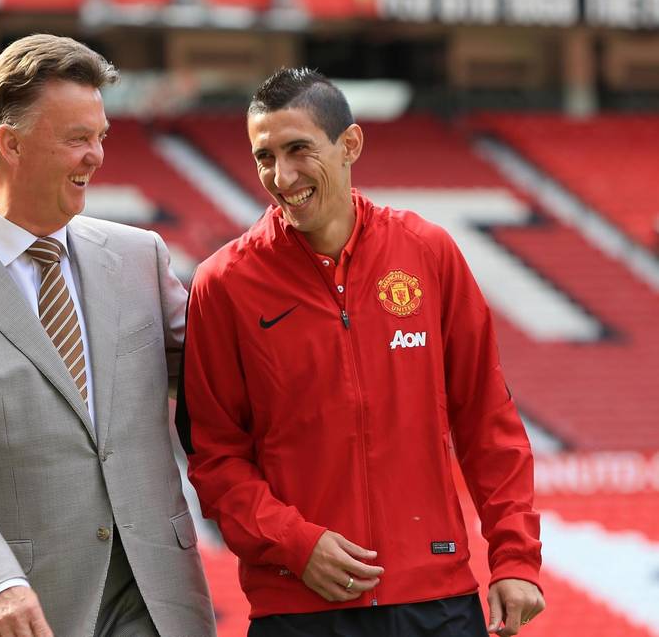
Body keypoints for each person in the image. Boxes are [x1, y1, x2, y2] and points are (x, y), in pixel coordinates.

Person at [177, 67, 545, 637]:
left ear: (350, 144)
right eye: (264, 156)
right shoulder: (223, 283)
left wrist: (515, 557)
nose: (282, 175)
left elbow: (487, 421)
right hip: (298, 608)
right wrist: (298, 545)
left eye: (299, 149)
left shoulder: (429, 252)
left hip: (437, 599)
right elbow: (215, 456)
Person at [0, 34, 215, 637]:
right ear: (11, 144)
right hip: (16, 608)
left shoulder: (140, 256)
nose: (97, 156)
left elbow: (225, 380)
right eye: (78, 138)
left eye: (100, 136)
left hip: (153, 596)